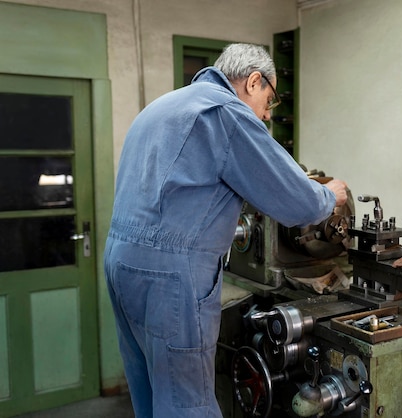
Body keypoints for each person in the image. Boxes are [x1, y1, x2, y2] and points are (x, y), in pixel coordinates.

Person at [104, 43, 348, 418]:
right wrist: (328, 196)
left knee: (150, 391)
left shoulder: (161, 107)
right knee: (186, 403)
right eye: (268, 101)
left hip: (120, 264)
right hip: (171, 278)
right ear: (254, 81)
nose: (266, 116)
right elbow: (297, 204)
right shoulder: (224, 112)